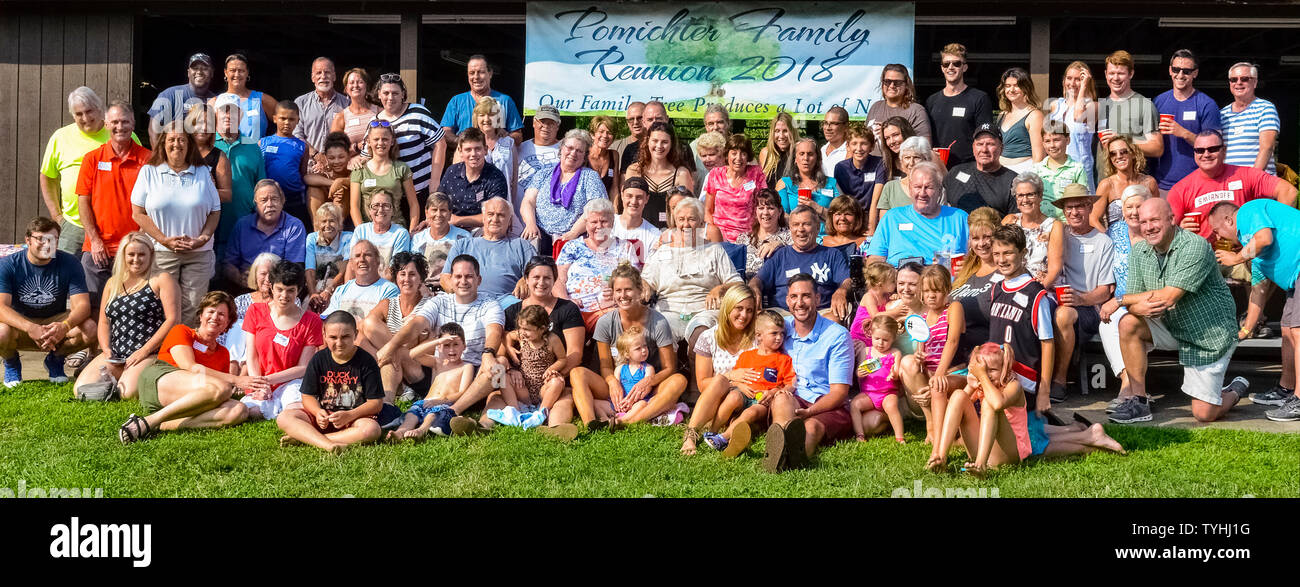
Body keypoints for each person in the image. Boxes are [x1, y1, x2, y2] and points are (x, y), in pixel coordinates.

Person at [1110, 198, 1240, 424]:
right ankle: (1139, 401)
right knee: (1128, 322)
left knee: (1204, 414)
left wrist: (1119, 300)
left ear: (1172, 220)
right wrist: (1132, 304)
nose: (1148, 227)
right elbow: (1137, 305)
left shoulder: (1195, 245)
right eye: (1143, 222)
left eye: (1154, 220)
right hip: (1172, 324)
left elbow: (1169, 297)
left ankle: (1234, 391)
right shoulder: (1139, 250)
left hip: (1208, 335)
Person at [379, 254, 509, 436]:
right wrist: (390, 346)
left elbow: (494, 331)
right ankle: (387, 408)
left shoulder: (489, 304)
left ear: (478, 280)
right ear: (450, 279)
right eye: (458, 276)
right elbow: (416, 324)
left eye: (469, 276)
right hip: (438, 374)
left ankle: (452, 411)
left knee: (500, 364)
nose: (463, 281)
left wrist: (488, 353)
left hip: (474, 378)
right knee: (395, 351)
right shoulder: (440, 301)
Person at [116, 292, 254, 443]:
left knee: (239, 410)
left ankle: (162, 424)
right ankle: (147, 421)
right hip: (162, 379)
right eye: (211, 311)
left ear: (228, 322)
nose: (215, 317)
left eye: (221, 314)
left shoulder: (223, 353)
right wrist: (236, 379)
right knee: (222, 388)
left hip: (195, 393)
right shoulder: (182, 331)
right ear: (201, 316)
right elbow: (190, 367)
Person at [1208, 200, 1300, 421]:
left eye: (1217, 231)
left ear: (1229, 220)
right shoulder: (1254, 251)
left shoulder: (1250, 210)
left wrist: (1236, 258)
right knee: (1287, 330)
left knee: (1297, 330)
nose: (1218, 238)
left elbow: (1265, 238)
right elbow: (1258, 292)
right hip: (1293, 281)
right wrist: (1246, 330)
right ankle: (1286, 389)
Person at [569, 263, 689, 427]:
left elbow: (670, 368)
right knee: (577, 373)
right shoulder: (605, 322)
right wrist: (612, 383)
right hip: (617, 383)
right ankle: (591, 424)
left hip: (646, 388)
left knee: (679, 380)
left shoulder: (658, 322)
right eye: (618, 290)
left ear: (640, 290)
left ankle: (628, 422)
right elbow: (605, 365)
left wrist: (649, 382)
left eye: (628, 290)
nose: (623, 295)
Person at [130, 122, 221, 326]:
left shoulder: (203, 172)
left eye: (181, 139)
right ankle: (162, 352)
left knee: (194, 306)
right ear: (163, 143)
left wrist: (203, 238)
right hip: (161, 252)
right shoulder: (149, 172)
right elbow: (138, 213)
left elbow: (215, 210)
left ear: (189, 144)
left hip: (198, 252)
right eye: (171, 139)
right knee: (163, 305)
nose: (176, 144)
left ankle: (185, 350)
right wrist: (164, 239)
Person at [761, 274, 854, 472]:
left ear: (818, 299)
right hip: (794, 397)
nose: (799, 303)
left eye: (806, 296)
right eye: (794, 297)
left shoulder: (837, 336)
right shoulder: (780, 329)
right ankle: (780, 450)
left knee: (811, 427)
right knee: (781, 398)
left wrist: (810, 412)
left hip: (828, 404)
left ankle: (791, 459)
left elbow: (839, 393)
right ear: (787, 301)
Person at [71, 232, 179, 400]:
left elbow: (172, 320)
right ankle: (116, 379)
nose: (136, 259)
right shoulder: (113, 283)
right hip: (116, 353)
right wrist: (106, 350)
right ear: (123, 255)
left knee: (127, 393)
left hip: (151, 353)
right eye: (131, 254)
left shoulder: (161, 279)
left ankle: (125, 380)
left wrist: (144, 351)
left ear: (151, 254)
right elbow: (104, 322)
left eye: (142, 254)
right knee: (80, 389)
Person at [0, 218, 96, 387]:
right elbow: (1, 307)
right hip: (21, 324)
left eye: (53, 239)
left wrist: (64, 326)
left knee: (90, 328)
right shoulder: (8, 264)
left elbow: (83, 306)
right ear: (28, 240)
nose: (47, 244)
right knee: (1, 331)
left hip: (54, 321)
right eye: (41, 239)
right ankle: (11, 361)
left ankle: (56, 359)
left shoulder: (70, 262)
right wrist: (31, 327)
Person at [75, 101, 150, 307]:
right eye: (115, 122)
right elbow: (84, 202)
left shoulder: (148, 159)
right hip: (98, 248)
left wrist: (138, 241)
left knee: (130, 307)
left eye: (125, 121)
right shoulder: (92, 159)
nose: (120, 127)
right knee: (91, 306)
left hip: (133, 249)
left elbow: (153, 205)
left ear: (133, 123)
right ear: (106, 124)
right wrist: (95, 240)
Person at [277, 311, 383, 452]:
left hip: (354, 417)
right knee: (284, 417)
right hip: (324, 417)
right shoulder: (318, 359)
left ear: (356, 334)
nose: (339, 343)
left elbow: (376, 403)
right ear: (324, 335)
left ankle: (306, 438)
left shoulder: (367, 362)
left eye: (345, 337)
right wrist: (317, 412)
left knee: (371, 430)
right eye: (333, 337)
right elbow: (307, 395)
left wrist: (350, 415)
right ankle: (328, 445)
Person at [1166, 130, 1297, 242]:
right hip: (1201, 257)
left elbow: (1289, 192)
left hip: (1243, 254)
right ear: (1194, 153)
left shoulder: (1245, 175)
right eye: (1200, 150)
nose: (1206, 154)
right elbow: (1165, 230)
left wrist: (1278, 233)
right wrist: (1178, 231)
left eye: (1212, 149)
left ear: (1224, 150)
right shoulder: (1180, 189)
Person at [643, 198, 743, 342]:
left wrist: (720, 289)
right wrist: (645, 285)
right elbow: (646, 282)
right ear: (675, 222)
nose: (686, 224)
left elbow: (738, 284)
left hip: (703, 312)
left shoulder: (714, 250)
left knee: (701, 335)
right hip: (669, 311)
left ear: (701, 223)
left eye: (691, 219)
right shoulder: (662, 251)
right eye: (681, 219)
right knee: (658, 333)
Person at [1049, 188, 1115, 402]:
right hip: (1056, 298)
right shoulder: (1059, 235)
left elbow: (1104, 291)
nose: (1074, 212)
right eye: (1069, 207)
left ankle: (1059, 380)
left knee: (1063, 315)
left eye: (1079, 206)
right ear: (1064, 211)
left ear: (1089, 207)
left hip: (1089, 307)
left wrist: (1080, 299)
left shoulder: (1104, 242)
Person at [41, 87, 125, 255]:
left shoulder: (118, 134)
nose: (85, 118)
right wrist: (57, 216)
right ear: (73, 115)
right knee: (65, 276)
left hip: (111, 228)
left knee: (107, 280)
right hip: (73, 226)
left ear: (100, 109)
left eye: (89, 111)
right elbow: (48, 177)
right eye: (79, 114)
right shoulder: (60, 137)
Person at [700, 310, 797, 456]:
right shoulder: (746, 356)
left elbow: (790, 384)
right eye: (774, 333)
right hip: (743, 393)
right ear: (759, 336)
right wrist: (739, 385)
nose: (779, 338)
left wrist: (773, 392)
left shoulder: (783, 360)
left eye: (782, 334)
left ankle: (723, 438)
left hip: (763, 401)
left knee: (752, 412)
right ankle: (712, 430)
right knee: (733, 397)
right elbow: (734, 379)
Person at [897, 265, 966, 464]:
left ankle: (940, 435)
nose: (931, 296)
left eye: (936, 291)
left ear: (946, 290)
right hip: (932, 370)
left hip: (953, 369)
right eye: (926, 291)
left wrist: (939, 374)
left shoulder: (953, 308)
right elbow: (921, 348)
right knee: (909, 361)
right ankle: (930, 423)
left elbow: (952, 342)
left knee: (937, 384)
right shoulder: (923, 317)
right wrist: (919, 357)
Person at [987, 224, 1056, 416]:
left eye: (1008, 253)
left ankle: (1086, 434)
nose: (1001, 259)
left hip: (1023, 380)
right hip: (997, 376)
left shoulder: (1036, 294)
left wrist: (1044, 390)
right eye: (997, 253)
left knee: (1022, 439)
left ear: (1023, 253)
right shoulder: (997, 288)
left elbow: (1047, 343)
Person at [1097, 185, 1156, 410]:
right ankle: (1127, 382)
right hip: (1120, 301)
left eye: (1138, 206)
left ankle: (1132, 389)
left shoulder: (1155, 232)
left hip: (1151, 300)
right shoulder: (1115, 232)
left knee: (1126, 321)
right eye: (1128, 207)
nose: (1133, 211)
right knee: (1108, 323)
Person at [681, 284, 758, 455]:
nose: (744, 315)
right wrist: (731, 377)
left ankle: (724, 432)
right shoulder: (708, 337)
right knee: (719, 380)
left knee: (734, 394)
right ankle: (691, 435)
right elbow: (702, 385)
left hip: (746, 397)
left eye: (749, 310)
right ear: (728, 307)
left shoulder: (757, 338)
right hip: (716, 396)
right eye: (739, 308)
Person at [242, 261, 323, 421]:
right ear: (271, 287)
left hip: (292, 382)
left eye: (290, 290)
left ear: (299, 290)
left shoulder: (311, 320)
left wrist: (268, 381)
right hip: (259, 381)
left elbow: (303, 367)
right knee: (248, 412)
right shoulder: (255, 311)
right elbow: (251, 356)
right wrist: (259, 385)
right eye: (280, 289)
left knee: (296, 412)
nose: (284, 296)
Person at [364, 73, 446, 214]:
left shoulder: (417, 112)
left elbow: (440, 142)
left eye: (395, 93)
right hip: (390, 197)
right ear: (379, 94)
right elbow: (366, 156)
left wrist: (435, 180)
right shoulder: (374, 122)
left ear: (403, 94)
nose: (390, 98)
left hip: (422, 191)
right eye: (386, 93)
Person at [753, 205, 852, 319]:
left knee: (835, 316)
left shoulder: (832, 254)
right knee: (761, 319)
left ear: (818, 228)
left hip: (821, 314)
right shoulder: (779, 255)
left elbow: (847, 280)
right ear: (790, 228)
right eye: (796, 225)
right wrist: (755, 288)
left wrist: (842, 291)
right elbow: (757, 280)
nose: (801, 229)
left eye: (806, 224)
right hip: (783, 315)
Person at [556, 199, 641, 330]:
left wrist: (619, 294)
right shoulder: (572, 246)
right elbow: (558, 280)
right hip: (574, 308)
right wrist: (566, 301)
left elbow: (635, 282)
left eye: (604, 221)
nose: (599, 226)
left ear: (612, 223)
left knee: (612, 321)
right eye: (594, 222)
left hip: (611, 307)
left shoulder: (625, 247)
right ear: (586, 224)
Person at [867, 162, 970, 267]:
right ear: (910, 189)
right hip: (900, 279)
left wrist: (965, 266)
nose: (922, 193)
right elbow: (875, 259)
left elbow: (978, 259)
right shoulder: (892, 217)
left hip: (942, 279)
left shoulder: (960, 218)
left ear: (939, 190)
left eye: (929, 187)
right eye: (917, 187)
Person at [362, 251, 432, 400]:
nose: (407, 279)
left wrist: (391, 349)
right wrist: (385, 353)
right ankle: (388, 406)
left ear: (421, 278)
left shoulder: (430, 306)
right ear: (395, 278)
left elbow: (432, 347)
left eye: (412, 274)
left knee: (407, 337)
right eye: (402, 274)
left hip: (417, 369)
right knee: (369, 324)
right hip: (391, 367)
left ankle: (399, 379)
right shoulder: (388, 304)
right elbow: (363, 329)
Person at [521, 129, 606, 251]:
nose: (573, 153)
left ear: (584, 157)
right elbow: (528, 201)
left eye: (579, 151)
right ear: (561, 149)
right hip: (540, 233)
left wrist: (573, 233)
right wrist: (530, 224)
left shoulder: (590, 177)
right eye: (570, 148)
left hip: (574, 237)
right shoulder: (543, 173)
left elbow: (596, 209)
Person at [387, 323, 473, 440]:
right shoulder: (438, 363)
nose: (451, 349)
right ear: (439, 347)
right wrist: (437, 341)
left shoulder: (466, 367)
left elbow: (463, 392)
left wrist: (440, 401)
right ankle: (400, 432)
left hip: (446, 403)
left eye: (456, 344)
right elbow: (413, 354)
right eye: (446, 345)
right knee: (411, 415)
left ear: (464, 346)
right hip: (426, 402)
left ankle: (421, 430)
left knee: (432, 415)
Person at [1152, 49, 1222, 192]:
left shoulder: (1206, 104)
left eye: (1186, 71)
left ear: (1195, 73)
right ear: (1170, 71)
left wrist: (1184, 133)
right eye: (1176, 69)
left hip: (1197, 184)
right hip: (1162, 184)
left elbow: (1215, 149)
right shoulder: (1159, 101)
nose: (1180, 75)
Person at [442, 197, 536, 303]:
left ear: (509, 221)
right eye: (490, 214)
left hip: (507, 302)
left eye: (501, 215)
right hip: (468, 302)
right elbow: (445, 278)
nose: (495, 219)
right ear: (483, 218)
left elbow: (538, 273)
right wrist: (462, 294)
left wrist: (526, 279)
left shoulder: (522, 246)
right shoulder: (462, 245)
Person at [222, 179, 307, 288]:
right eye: (264, 200)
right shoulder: (242, 225)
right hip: (245, 287)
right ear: (256, 204)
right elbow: (228, 263)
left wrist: (269, 282)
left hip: (280, 289)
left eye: (274, 199)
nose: (270, 204)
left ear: (283, 201)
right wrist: (239, 278)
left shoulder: (294, 226)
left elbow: (294, 268)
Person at [498, 304, 570, 429]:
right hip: (524, 385)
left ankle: (541, 414)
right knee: (501, 376)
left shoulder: (552, 340)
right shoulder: (521, 337)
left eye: (527, 329)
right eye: (520, 328)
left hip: (543, 386)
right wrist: (509, 348)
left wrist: (552, 369)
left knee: (557, 382)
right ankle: (514, 411)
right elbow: (508, 336)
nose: (522, 332)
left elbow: (563, 359)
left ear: (542, 329)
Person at [212, 93, 267, 253]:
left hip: (243, 228)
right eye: (224, 111)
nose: (228, 116)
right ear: (216, 114)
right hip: (208, 230)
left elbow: (261, 185)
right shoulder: (205, 144)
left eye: (234, 111)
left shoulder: (253, 147)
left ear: (241, 115)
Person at [1097, 50, 1163, 180]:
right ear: (1105, 74)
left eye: (1120, 73)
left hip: (1134, 186)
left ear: (1131, 74)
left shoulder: (1144, 105)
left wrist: (1124, 141)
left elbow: (1157, 148)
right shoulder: (1100, 106)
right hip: (1104, 183)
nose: (1115, 78)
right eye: (1111, 73)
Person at [926, 43, 994, 167]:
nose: (950, 67)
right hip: (937, 168)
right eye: (946, 64)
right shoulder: (932, 101)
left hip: (968, 167)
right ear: (942, 68)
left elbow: (985, 137)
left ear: (965, 67)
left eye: (956, 63)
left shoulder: (979, 98)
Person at [950, 207, 1004, 357]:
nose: (981, 244)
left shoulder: (1007, 272)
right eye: (975, 238)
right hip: (952, 350)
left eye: (987, 237)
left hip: (984, 354)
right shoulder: (964, 269)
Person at [351, 118, 418, 230]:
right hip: (368, 229)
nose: (380, 143)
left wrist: (411, 232)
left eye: (385, 139)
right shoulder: (359, 170)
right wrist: (361, 232)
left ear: (392, 141)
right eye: (376, 139)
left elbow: (414, 204)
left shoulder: (401, 168)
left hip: (396, 229)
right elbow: (354, 207)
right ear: (368, 141)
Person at [440, 55, 524, 143]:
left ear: (490, 73)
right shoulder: (456, 101)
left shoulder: (505, 101)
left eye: (481, 72)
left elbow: (518, 136)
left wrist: (504, 137)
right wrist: (463, 143)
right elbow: (445, 132)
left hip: (496, 155)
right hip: (465, 155)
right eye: (472, 73)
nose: (476, 77)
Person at [625, 121, 694, 228]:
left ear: (672, 144)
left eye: (665, 142)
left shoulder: (681, 173)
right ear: (647, 141)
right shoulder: (634, 170)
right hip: (640, 232)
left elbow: (689, 211)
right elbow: (627, 206)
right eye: (655, 141)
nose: (659, 146)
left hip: (670, 235)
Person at [219, 252, 281, 369]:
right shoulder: (241, 300)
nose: (267, 279)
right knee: (238, 325)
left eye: (272, 274)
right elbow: (227, 331)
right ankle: (232, 368)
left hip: (268, 351)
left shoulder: (286, 301)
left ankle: (244, 371)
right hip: (236, 353)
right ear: (255, 275)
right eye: (263, 273)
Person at [851, 314, 906, 443]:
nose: (880, 343)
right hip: (869, 393)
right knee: (854, 405)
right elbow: (859, 371)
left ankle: (899, 437)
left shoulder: (895, 353)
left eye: (885, 340)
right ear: (871, 335)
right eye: (877, 338)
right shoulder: (867, 351)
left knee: (891, 406)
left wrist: (894, 374)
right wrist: (859, 372)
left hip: (888, 393)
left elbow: (897, 372)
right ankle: (860, 435)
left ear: (893, 339)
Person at [441, 127, 509, 230]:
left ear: (485, 150)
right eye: (468, 149)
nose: (473, 154)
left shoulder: (496, 177)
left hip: (483, 231)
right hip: (450, 228)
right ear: (460, 151)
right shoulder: (452, 172)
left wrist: (458, 220)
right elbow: (439, 201)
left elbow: (495, 216)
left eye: (477, 149)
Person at [1002, 173, 1063, 287]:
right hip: (1010, 285)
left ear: (1040, 196)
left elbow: (1055, 268)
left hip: (1040, 286)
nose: (1025, 200)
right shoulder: (1010, 221)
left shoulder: (1054, 226)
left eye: (1030, 194)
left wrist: (1037, 291)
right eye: (1020, 195)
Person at [704, 133, 766, 242]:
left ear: (748, 156)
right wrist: (713, 235)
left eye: (743, 153)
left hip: (747, 237)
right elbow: (708, 211)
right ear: (727, 155)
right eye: (734, 153)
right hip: (719, 237)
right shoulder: (715, 174)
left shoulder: (756, 174)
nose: (738, 158)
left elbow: (763, 205)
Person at [259, 101, 312, 228]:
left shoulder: (302, 146)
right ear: (275, 118)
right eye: (283, 118)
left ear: (298, 120)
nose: (287, 122)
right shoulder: (263, 143)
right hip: (269, 199)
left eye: (291, 119)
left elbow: (302, 173)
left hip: (294, 199)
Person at [1220, 62, 1280, 175]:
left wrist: (1252, 179)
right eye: (1233, 79)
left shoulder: (1265, 108)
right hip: (1229, 183)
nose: (1238, 83)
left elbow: (1267, 147)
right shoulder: (1222, 114)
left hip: (1259, 184)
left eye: (1244, 79)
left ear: (1255, 82)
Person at [1092, 135, 1160, 233]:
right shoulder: (1107, 185)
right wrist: (1110, 241)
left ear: (1133, 153)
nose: (1118, 156)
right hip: (1116, 242)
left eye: (1123, 152)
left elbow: (1157, 214)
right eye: (1113, 154)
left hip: (1145, 239)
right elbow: (1093, 219)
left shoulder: (1149, 182)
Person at [1049, 61, 1100, 190]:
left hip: (1080, 168)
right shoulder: (1056, 105)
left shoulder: (1093, 106)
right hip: (1056, 167)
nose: (1072, 83)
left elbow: (1078, 116)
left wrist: (1083, 88)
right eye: (1069, 78)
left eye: (1078, 79)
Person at [944, 123, 1016, 213]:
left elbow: (1015, 221)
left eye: (990, 144)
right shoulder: (955, 172)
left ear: (1001, 148)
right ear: (973, 147)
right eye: (980, 144)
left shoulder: (1012, 181)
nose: (984, 150)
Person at [293, 57, 350, 169]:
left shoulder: (347, 103)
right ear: (312, 77)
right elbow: (296, 134)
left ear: (334, 76)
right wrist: (316, 155)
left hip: (338, 166)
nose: (323, 76)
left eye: (327, 72)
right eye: (318, 73)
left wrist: (331, 158)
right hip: (308, 166)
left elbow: (350, 135)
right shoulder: (300, 102)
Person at [147, 53, 216, 145]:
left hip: (204, 157)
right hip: (174, 155)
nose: (199, 72)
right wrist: (160, 158)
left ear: (212, 73)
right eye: (195, 68)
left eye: (204, 68)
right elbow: (154, 130)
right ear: (188, 72)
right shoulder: (169, 95)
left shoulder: (217, 100)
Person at [324, 239, 399, 323]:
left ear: (378, 260)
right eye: (357, 256)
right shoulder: (341, 290)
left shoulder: (389, 290)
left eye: (367, 255)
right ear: (351, 264)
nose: (362, 259)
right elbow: (328, 320)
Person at [209, 54, 278, 142]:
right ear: (225, 72)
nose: (237, 74)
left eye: (241, 70)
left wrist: (270, 144)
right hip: (223, 154)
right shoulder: (214, 102)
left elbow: (287, 120)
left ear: (247, 72)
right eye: (232, 70)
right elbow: (205, 134)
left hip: (253, 154)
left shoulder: (262, 100)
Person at [867, 65, 932, 154]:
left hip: (902, 166)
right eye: (887, 81)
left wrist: (890, 131)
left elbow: (925, 147)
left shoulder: (916, 110)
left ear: (906, 85)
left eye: (897, 82)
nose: (892, 85)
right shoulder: (875, 107)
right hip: (872, 166)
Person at [834, 123, 887, 228]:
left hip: (873, 216)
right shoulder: (841, 168)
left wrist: (871, 229)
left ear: (872, 147)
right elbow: (843, 201)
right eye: (854, 143)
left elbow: (875, 201)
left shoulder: (880, 164)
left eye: (863, 143)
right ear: (848, 146)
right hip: (851, 218)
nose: (859, 148)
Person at [1032, 121, 1088, 218]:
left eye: (1056, 140)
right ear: (1043, 143)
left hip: (1068, 222)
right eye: (1047, 141)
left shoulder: (1077, 168)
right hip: (1042, 221)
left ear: (1067, 140)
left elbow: (1083, 199)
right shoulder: (1037, 169)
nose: (1052, 145)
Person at [348, 189, 412, 272]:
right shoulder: (360, 230)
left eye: (386, 205)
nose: (380, 210)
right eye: (376, 205)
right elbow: (352, 263)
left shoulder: (400, 234)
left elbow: (395, 270)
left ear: (393, 211)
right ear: (369, 210)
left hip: (386, 283)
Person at [995, 67, 1044, 173]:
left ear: (1026, 88)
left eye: (1016, 86)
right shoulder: (1002, 115)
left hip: (1023, 170)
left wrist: (1034, 178)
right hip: (1000, 171)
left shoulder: (1035, 115)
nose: (1011, 90)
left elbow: (1039, 155)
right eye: (1008, 86)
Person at [734, 188, 791, 278]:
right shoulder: (744, 238)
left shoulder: (789, 236)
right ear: (756, 212)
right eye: (761, 208)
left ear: (779, 211)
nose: (765, 213)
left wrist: (780, 244)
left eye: (770, 208)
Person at [776, 138, 839, 217]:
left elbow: (840, 216)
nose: (806, 158)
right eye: (801, 154)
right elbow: (780, 216)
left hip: (825, 229)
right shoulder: (784, 184)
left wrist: (816, 207)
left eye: (810, 154)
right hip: (795, 229)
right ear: (795, 159)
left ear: (817, 158)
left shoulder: (831, 183)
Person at [187, 104, 235, 206]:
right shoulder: (178, 151)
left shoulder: (219, 157)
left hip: (207, 218)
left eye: (209, 124)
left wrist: (207, 190)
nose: (204, 128)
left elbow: (227, 195)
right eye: (199, 123)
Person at [305, 202, 352, 305]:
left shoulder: (348, 237)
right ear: (317, 224)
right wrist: (313, 294)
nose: (327, 225)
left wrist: (329, 290)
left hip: (340, 286)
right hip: (317, 286)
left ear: (339, 223)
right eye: (323, 221)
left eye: (332, 221)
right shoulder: (312, 238)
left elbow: (345, 268)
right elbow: (310, 270)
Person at [875, 135, 937, 213]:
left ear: (926, 160)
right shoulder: (890, 188)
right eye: (907, 158)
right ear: (901, 161)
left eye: (916, 157)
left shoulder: (936, 188)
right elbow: (885, 222)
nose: (911, 163)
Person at [609, 326, 657, 424]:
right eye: (638, 348)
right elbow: (617, 389)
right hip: (622, 403)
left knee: (642, 405)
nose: (644, 350)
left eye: (645, 346)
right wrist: (620, 403)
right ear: (627, 354)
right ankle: (604, 420)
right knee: (598, 403)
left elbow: (647, 389)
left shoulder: (648, 368)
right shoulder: (620, 369)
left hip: (637, 402)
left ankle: (622, 421)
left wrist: (631, 402)